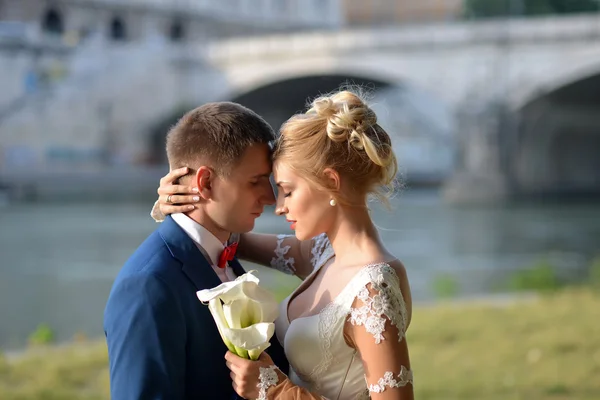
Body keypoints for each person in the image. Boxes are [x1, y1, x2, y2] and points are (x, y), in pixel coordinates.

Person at [156, 90, 414, 399]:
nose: (278, 206)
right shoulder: (321, 253)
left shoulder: (374, 287)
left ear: (331, 182)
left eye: (287, 191)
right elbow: (228, 240)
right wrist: (186, 201)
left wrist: (276, 390)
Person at [104, 102, 288, 400]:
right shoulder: (147, 285)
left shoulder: (225, 251)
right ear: (205, 182)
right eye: (256, 181)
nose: (270, 197)